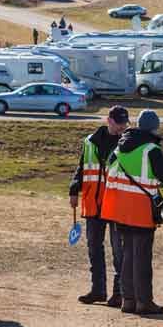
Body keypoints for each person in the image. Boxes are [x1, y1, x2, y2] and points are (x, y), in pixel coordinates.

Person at [101, 110, 163, 315]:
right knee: (142, 257)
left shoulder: (120, 148)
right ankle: (144, 302)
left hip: (120, 210)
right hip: (140, 210)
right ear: (155, 127)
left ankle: (128, 300)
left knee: (127, 255)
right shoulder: (151, 150)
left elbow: (109, 173)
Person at [69, 106, 129, 306]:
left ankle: (118, 293)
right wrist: (73, 190)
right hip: (93, 204)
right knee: (94, 247)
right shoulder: (89, 142)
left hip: (115, 205)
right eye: (118, 122)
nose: (122, 127)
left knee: (118, 250)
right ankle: (98, 290)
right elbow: (82, 167)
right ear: (108, 120)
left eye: (124, 123)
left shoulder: (127, 144)